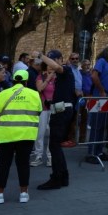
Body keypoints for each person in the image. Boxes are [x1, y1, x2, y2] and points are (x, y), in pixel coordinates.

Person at [0, 68, 42, 204]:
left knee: (4, 164)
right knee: (23, 164)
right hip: (26, 134)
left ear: (13, 80)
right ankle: (24, 193)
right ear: (26, 81)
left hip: (6, 134)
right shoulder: (34, 94)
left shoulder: (3, 94)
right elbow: (39, 111)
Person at [37, 50, 75, 190]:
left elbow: (58, 67)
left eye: (52, 60)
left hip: (62, 112)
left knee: (54, 145)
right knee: (55, 146)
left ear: (60, 59)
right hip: (59, 110)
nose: (50, 63)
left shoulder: (65, 69)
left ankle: (57, 178)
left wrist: (41, 56)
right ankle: (63, 176)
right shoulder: (59, 76)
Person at [86, 46, 108, 163]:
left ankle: (98, 151)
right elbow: (94, 76)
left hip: (107, 96)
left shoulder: (107, 64)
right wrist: (102, 91)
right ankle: (92, 152)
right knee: (97, 125)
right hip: (101, 96)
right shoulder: (102, 61)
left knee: (102, 126)